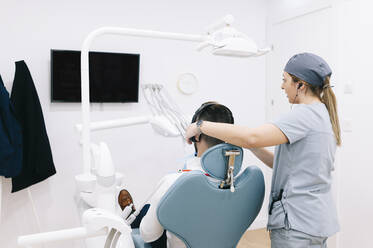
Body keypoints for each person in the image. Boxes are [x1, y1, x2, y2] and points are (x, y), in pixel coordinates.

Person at [185, 53, 340, 248]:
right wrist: (249, 145)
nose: (282, 86)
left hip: (297, 223)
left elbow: (253, 136)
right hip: (316, 219)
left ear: (300, 85)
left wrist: (200, 126)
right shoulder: (322, 114)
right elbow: (285, 165)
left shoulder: (303, 115)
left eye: (285, 80)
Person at [119, 102, 234, 248]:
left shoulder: (173, 182)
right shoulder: (239, 182)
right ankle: (135, 214)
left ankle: (133, 217)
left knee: (155, 209)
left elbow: (148, 235)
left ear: (195, 136)